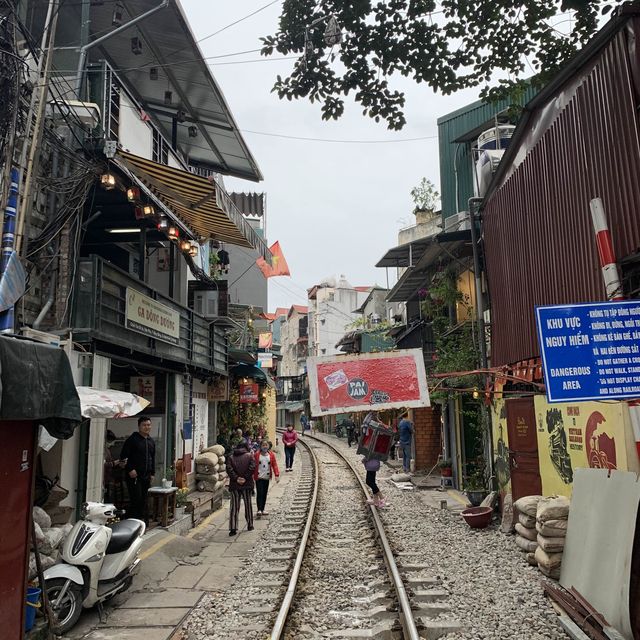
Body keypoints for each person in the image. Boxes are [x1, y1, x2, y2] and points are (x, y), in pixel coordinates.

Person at [120, 416, 155, 524]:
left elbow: (152, 458)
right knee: (136, 499)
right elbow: (123, 457)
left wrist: (152, 473)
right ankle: (132, 522)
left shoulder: (151, 441)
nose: (146, 427)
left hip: (146, 476)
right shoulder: (132, 440)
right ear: (139, 426)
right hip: (134, 476)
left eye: (148, 425)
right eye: (144, 425)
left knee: (144, 500)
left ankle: (142, 523)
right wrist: (130, 469)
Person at [226, 441, 256, 536]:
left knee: (234, 507)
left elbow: (229, 469)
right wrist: (245, 477)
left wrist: (236, 478)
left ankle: (233, 528)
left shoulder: (231, 457)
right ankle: (250, 524)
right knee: (248, 505)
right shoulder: (250, 456)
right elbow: (252, 467)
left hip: (235, 484)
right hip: (247, 484)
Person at [254, 440, 280, 517]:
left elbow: (274, 465)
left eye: (266, 445)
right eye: (263, 445)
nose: (265, 446)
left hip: (266, 477)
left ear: (268, 446)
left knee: (265, 493)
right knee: (259, 493)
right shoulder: (256, 455)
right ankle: (259, 509)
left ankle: (263, 509)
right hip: (258, 477)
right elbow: (253, 465)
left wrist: (277, 475)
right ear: (260, 446)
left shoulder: (271, 455)